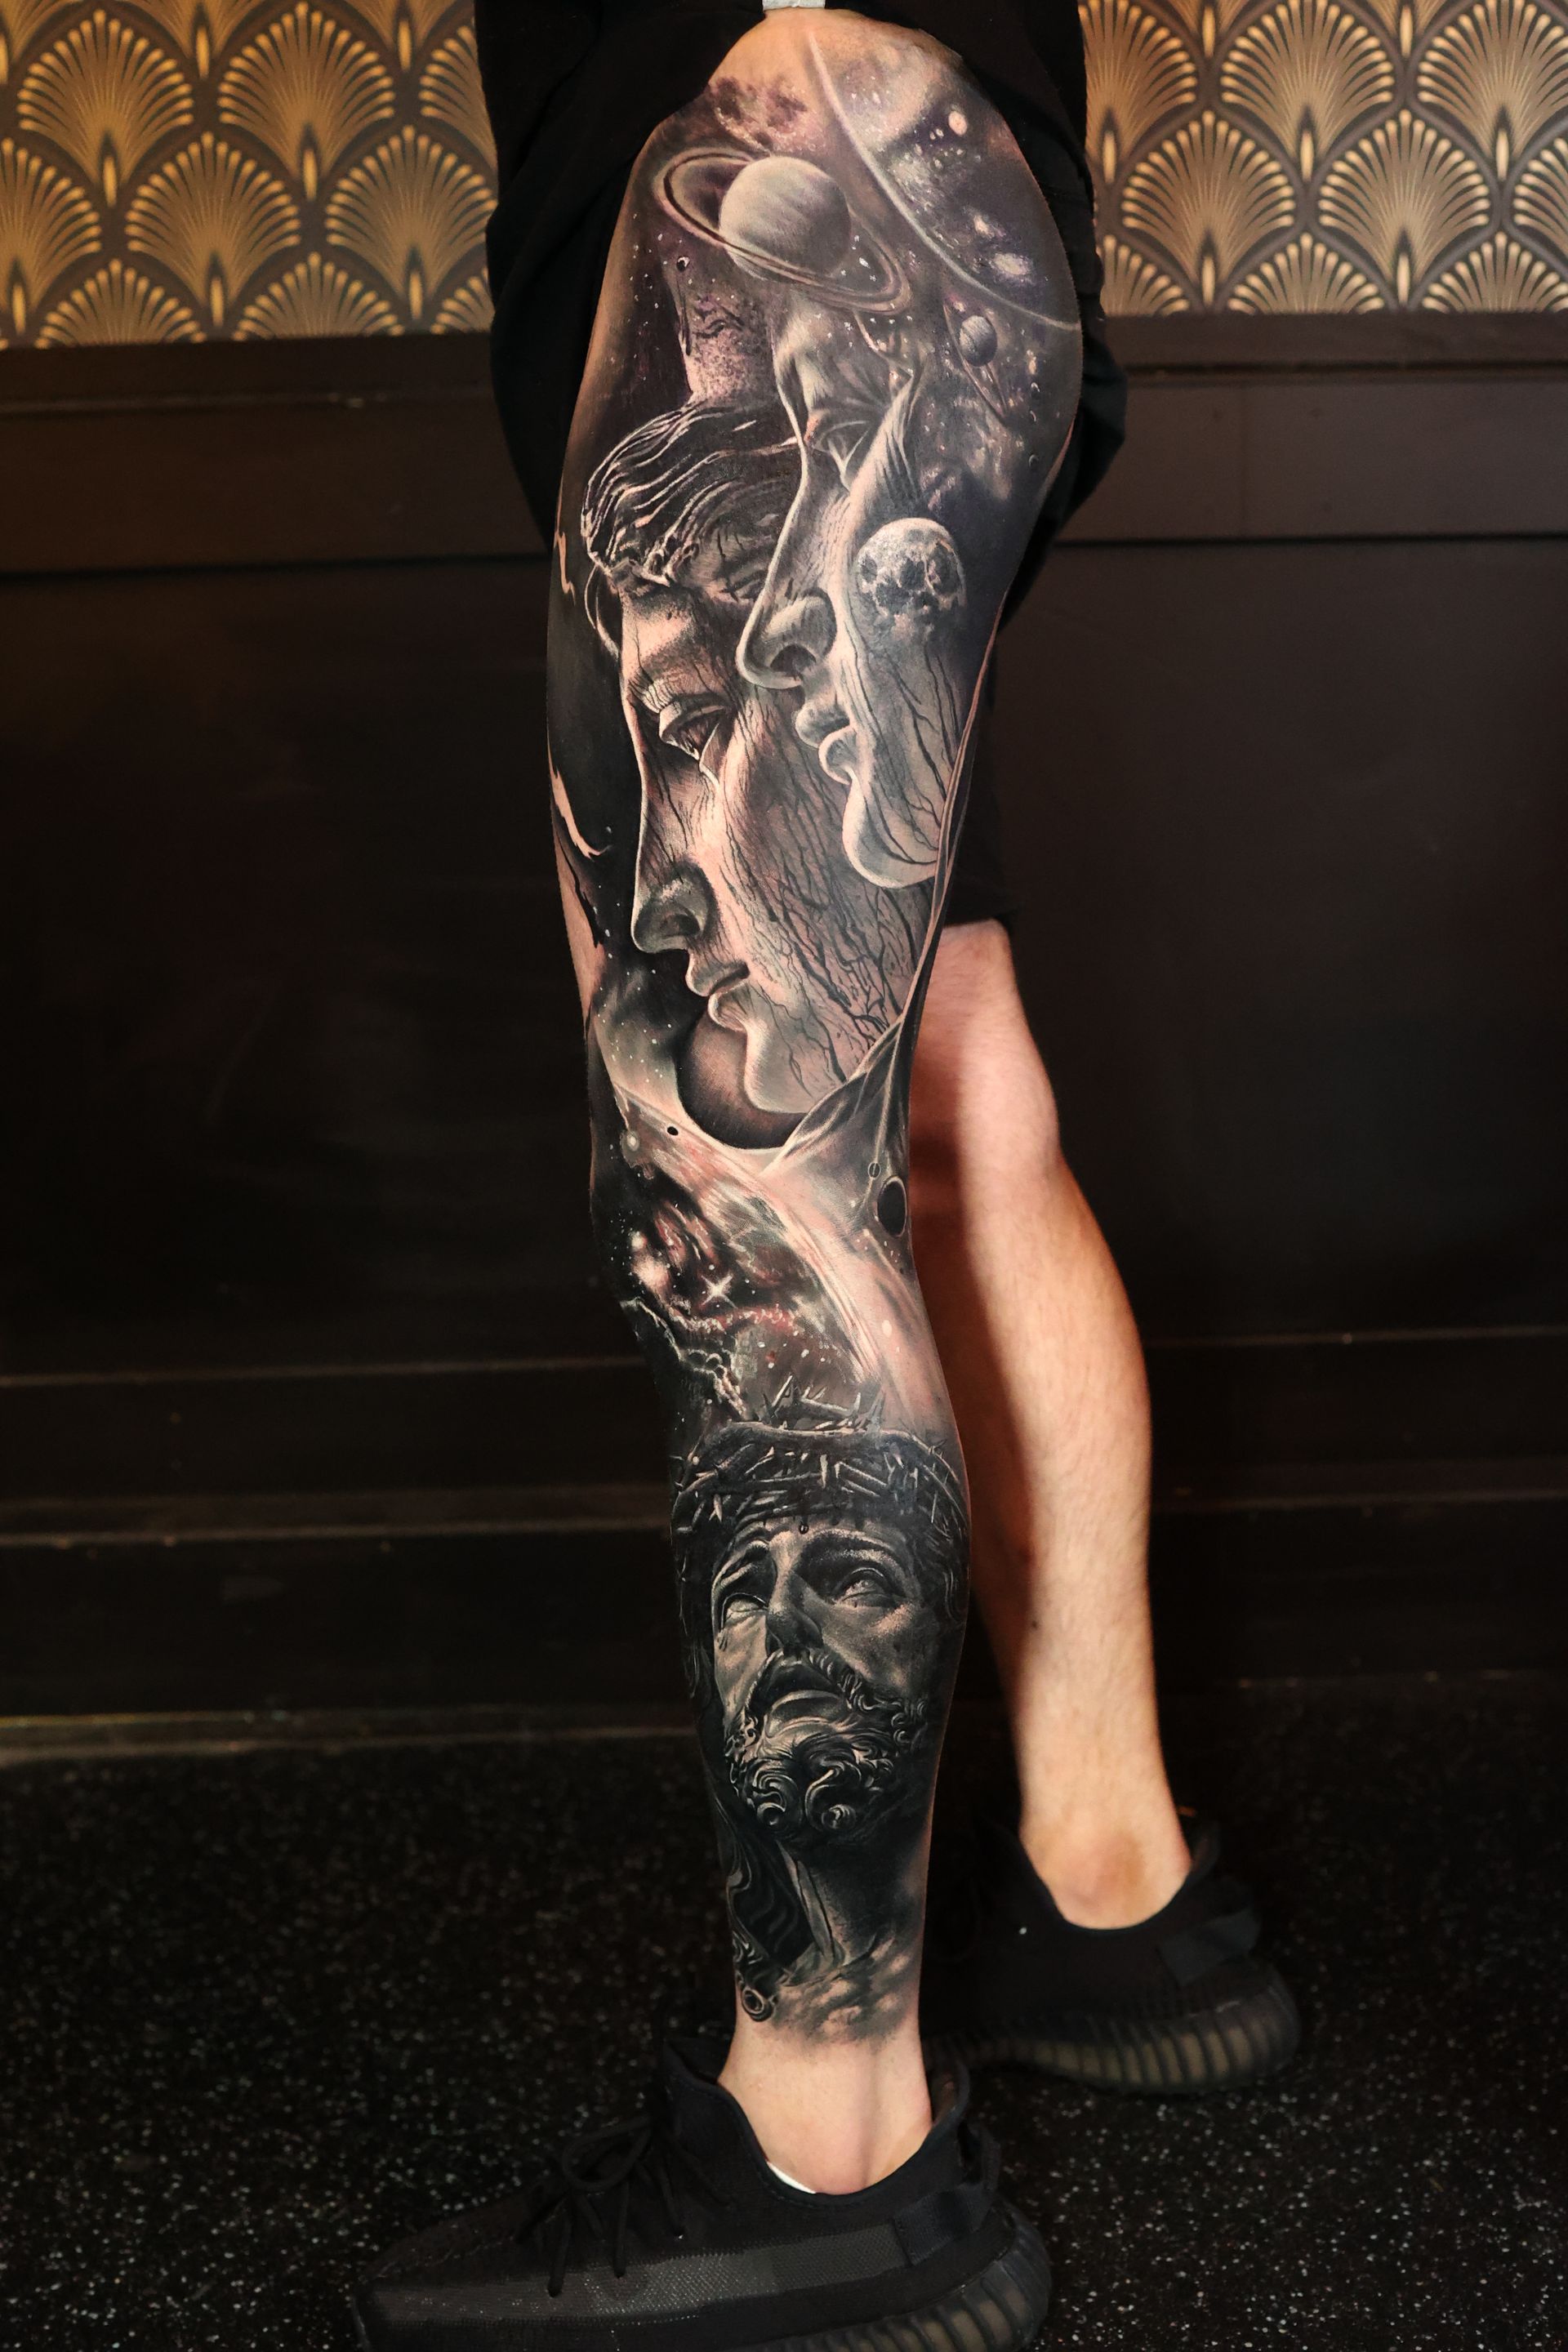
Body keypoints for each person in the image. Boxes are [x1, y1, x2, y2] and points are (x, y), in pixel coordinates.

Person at [354, 9, 1298, 2348]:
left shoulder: (758, 194)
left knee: (748, 1165)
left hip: (768, 170)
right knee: (946, 1077)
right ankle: (1119, 1894)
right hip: (933, 169)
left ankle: (833, 2151)